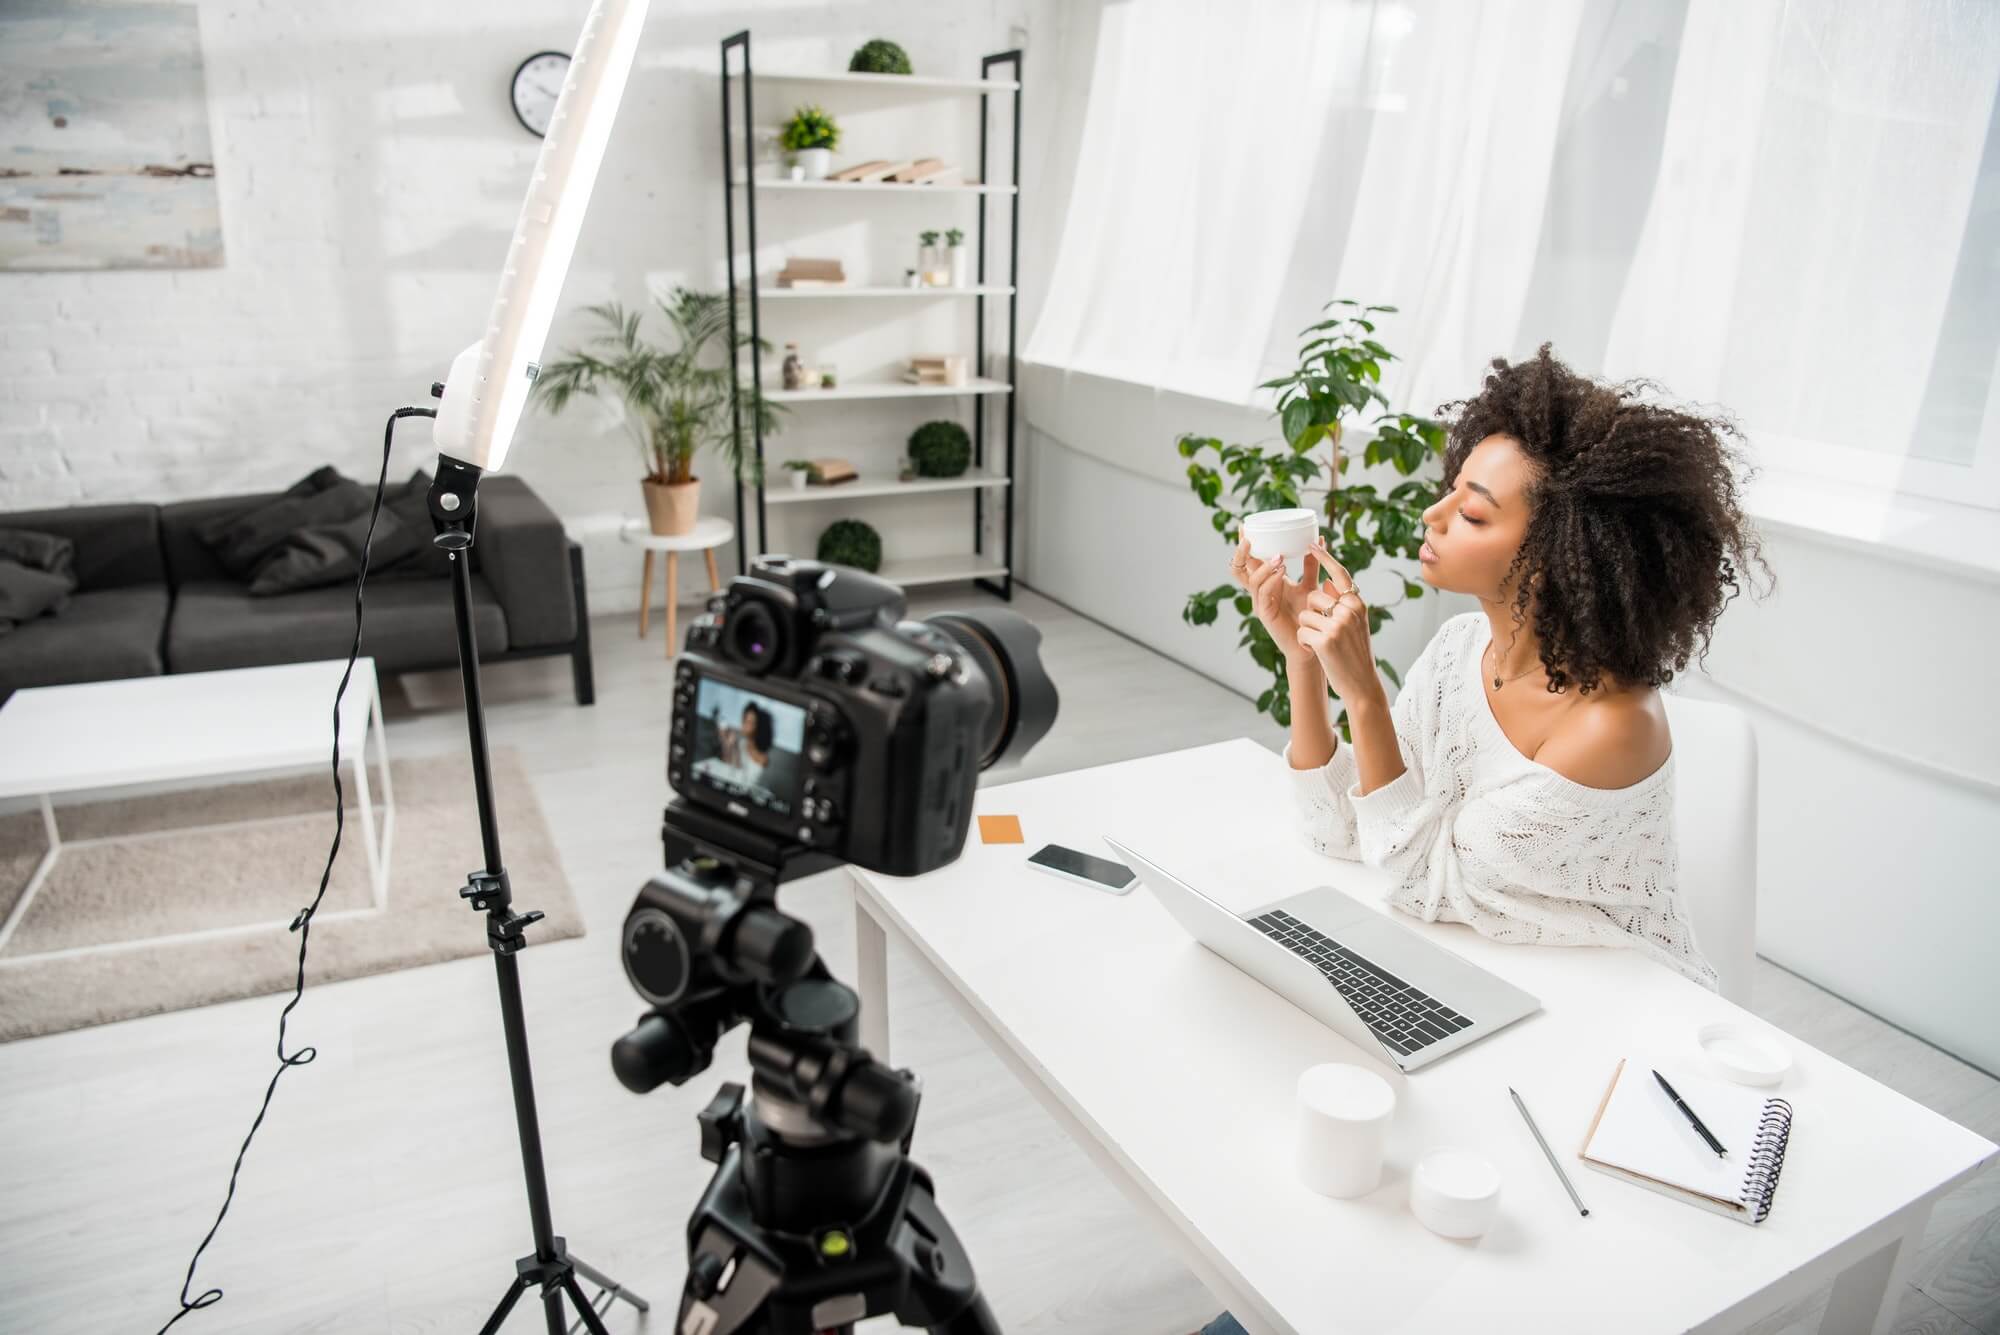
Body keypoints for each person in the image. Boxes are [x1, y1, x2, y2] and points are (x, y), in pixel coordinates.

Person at [1194, 344, 1765, 1335]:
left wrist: (1364, 693)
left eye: (1469, 512)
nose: (1428, 518)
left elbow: (1417, 877)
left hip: (1608, 1032)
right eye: (1449, 494)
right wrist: (1301, 659)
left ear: (1551, 554)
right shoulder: (1465, 649)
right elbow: (1344, 835)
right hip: (1479, 971)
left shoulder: (1608, 725)